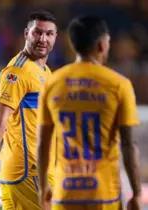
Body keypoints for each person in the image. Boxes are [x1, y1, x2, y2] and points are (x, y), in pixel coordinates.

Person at [37, 16, 141, 210]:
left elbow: (43, 143)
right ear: (102, 45)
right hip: (104, 195)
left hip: (65, 193)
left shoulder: (52, 83)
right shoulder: (119, 85)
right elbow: (128, 145)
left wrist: (43, 188)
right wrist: (136, 193)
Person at [0, 10, 58, 209]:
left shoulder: (45, 71)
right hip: (27, 170)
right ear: (26, 34)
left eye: (49, 34)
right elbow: (0, 117)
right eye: (37, 33)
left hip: (37, 168)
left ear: (55, 37)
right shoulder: (17, 71)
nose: (43, 39)